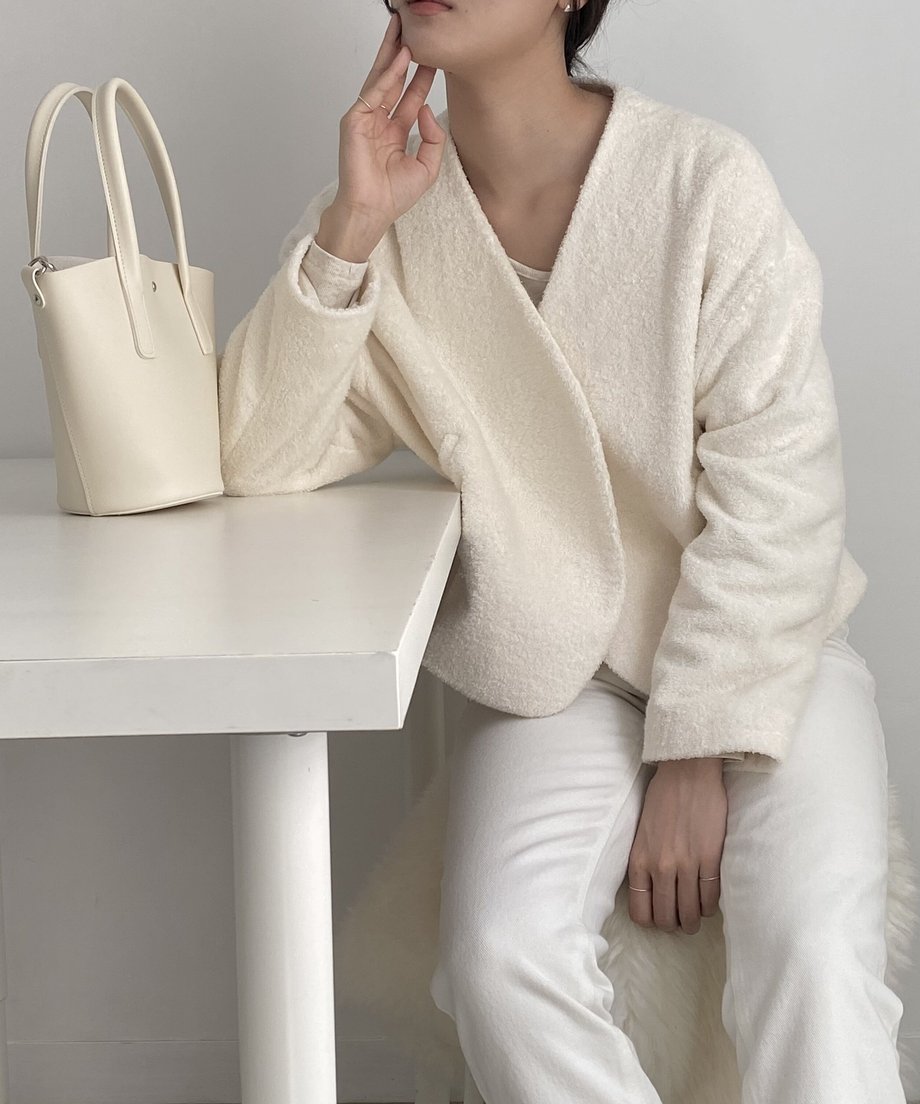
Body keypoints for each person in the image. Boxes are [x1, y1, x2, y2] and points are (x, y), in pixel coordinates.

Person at [217, 2, 908, 1100]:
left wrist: (696, 746)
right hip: (560, 678)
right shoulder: (390, 218)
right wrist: (350, 227)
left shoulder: (702, 182)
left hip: (768, 649)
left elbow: (781, 486)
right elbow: (257, 452)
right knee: (499, 960)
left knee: (814, 953)